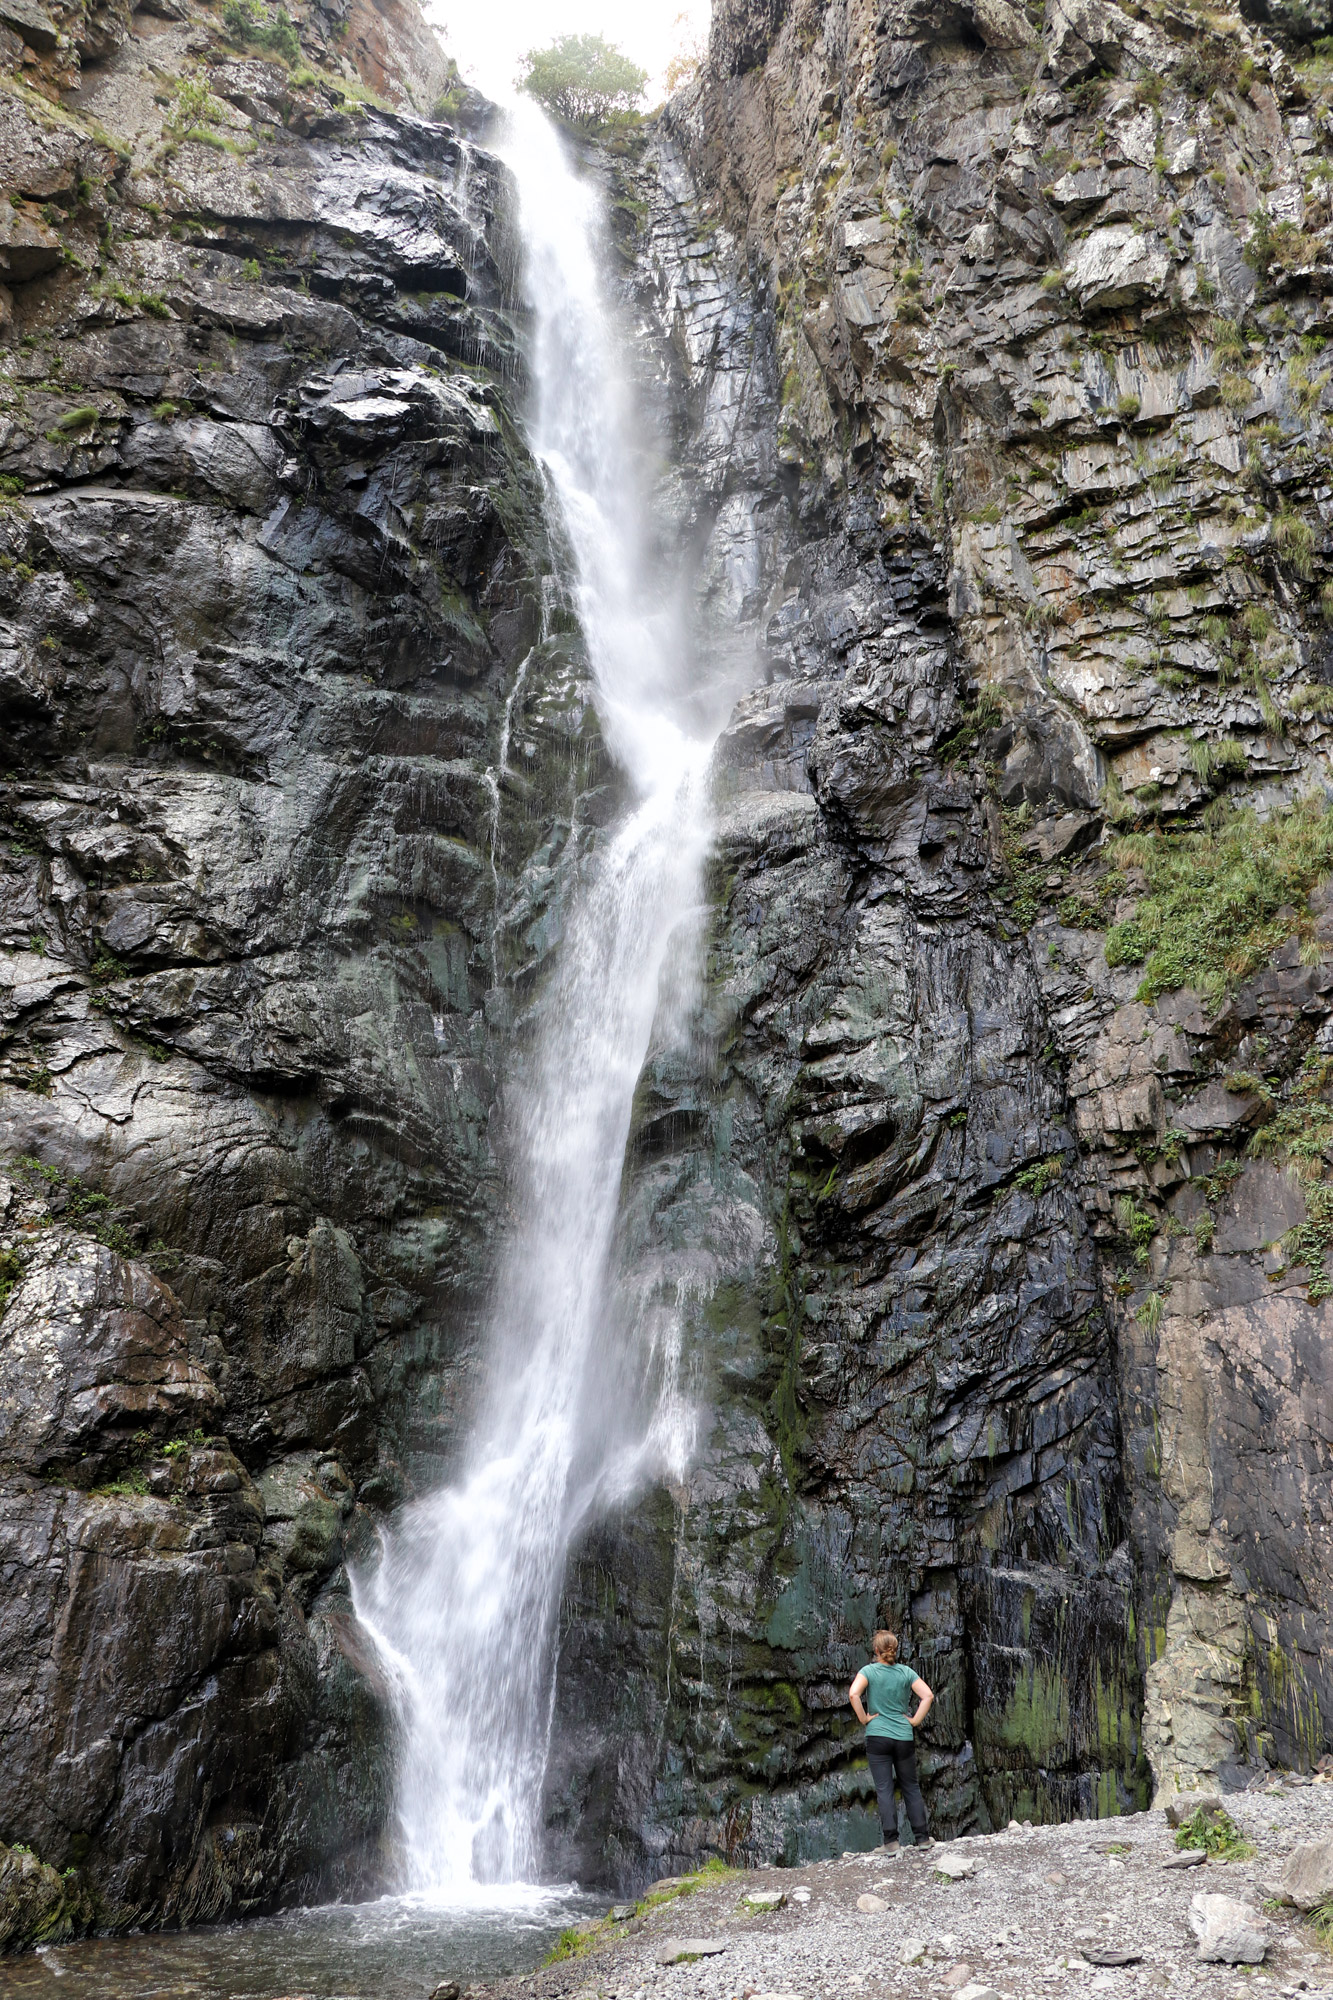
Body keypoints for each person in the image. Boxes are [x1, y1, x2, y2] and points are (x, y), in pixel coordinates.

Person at [849, 1629, 934, 1851]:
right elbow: (928, 1696)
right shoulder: (906, 1672)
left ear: (876, 1650)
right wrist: (914, 1721)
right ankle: (923, 1839)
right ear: (894, 1650)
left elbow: (853, 1694)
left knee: (885, 1788)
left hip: (877, 1736)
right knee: (911, 1787)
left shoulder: (868, 1671)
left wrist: (864, 1718)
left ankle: (891, 1842)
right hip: (903, 1736)